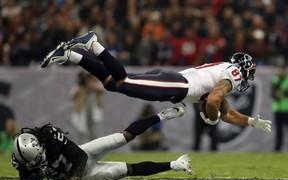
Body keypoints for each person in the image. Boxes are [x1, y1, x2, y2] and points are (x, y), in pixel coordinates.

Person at [40, 31, 272, 133]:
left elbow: (226, 112)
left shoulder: (225, 71)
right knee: (123, 81)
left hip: (173, 81)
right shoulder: (234, 74)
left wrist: (251, 121)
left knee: (112, 83)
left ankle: (69, 54)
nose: (246, 78)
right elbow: (213, 101)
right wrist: (211, 119)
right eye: (248, 73)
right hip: (178, 85)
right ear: (243, 69)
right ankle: (93, 44)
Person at [12, 107, 192, 180]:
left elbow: (79, 156)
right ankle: (175, 164)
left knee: (123, 137)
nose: (38, 162)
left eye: (38, 158)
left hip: (82, 158)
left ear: (39, 146)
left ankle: (161, 116)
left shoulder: (51, 138)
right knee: (129, 170)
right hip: (88, 176)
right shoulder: (22, 161)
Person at [70, 71, 104, 144]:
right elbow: (72, 95)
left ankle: (96, 147)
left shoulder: (96, 85)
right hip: (81, 111)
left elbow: (101, 90)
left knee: (95, 132)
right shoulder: (79, 86)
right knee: (79, 130)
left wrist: (91, 86)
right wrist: (82, 87)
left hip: (93, 112)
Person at [271, 66, 288, 151]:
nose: (281, 72)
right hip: (278, 109)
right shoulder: (275, 80)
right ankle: (278, 149)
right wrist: (281, 93)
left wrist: (279, 93)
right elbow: (273, 95)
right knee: (279, 131)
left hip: (286, 109)